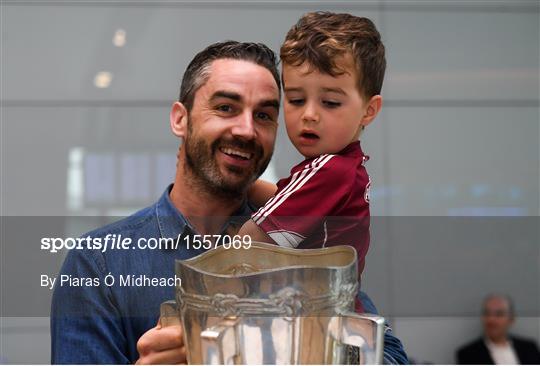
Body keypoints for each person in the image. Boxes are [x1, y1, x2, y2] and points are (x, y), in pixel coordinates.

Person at [51, 41, 408, 364]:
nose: (246, 130)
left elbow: (391, 356)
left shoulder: (301, 239)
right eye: (226, 107)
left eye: (265, 115)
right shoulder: (99, 262)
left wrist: (304, 350)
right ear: (181, 119)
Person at [238, 13, 384, 309]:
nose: (309, 115)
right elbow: (287, 200)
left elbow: (247, 245)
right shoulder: (349, 168)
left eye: (330, 102)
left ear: (369, 110)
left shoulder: (328, 169)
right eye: (295, 99)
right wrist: (239, 186)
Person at [456, 294, 540, 364]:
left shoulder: (529, 348)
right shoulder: (468, 354)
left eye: (499, 314)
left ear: (511, 320)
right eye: (487, 314)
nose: (491, 319)